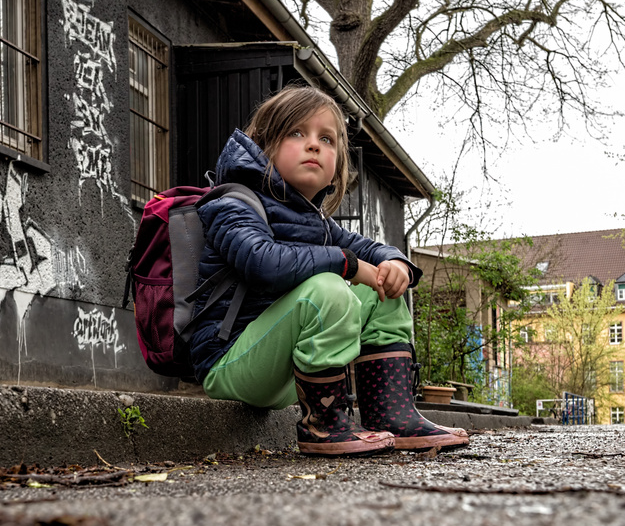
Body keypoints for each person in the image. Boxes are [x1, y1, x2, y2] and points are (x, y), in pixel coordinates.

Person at [188, 85, 468, 455]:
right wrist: (347, 265)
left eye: (327, 139)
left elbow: (368, 250)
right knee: (327, 289)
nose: (314, 145)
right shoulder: (234, 203)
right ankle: (323, 427)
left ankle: (392, 416)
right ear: (264, 144)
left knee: (381, 284)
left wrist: (395, 262)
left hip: (290, 375)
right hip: (230, 365)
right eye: (296, 133)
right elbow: (263, 263)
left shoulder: (314, 221)